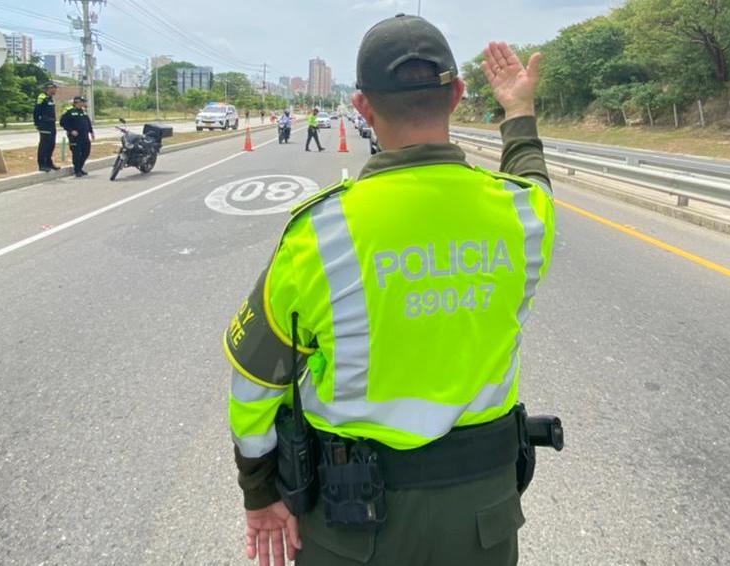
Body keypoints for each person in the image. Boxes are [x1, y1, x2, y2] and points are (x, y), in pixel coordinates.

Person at [223, 14, 554, 566]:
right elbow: (534, 178)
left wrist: (259, 494)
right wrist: (518, 111)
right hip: (484, 521)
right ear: (457, 95)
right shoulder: (524, 217)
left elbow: (257, 381)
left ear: (362, 106)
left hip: (350, 526)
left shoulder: (320, 235)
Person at [60, 96, 93, 177]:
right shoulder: (69, 111)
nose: (84, 103)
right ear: (78, 102)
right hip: (75, 137)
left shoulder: (83, 111)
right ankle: (77, 170)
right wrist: (71, 130)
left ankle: (80, 167)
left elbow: (87, 122)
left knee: (86, 152)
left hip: (84, 136)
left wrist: (91, 131)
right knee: (76, 153)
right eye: (83, 102)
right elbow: (62, 123)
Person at [33, 82, 59, 172]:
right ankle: (42, 164)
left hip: (51, 124)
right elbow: (36, 111)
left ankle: (49, 162)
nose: (55, 90)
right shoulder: (42, 98)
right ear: (49, 88)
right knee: (44, 145)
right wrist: (37, 123)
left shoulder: (50, 98)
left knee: (51, 144)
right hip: (44, 125)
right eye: (54, 88)